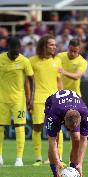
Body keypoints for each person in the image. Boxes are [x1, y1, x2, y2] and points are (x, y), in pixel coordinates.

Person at [29, 34, 63, 166]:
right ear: (44, 46)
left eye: (55, 44)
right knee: (37, 127)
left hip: (54, 101)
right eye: (51, 44)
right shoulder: (32, 61)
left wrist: (63, 97)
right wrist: (29, 99)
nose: (54, 47)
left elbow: (59, 81)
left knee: (57, 129)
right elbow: (29, 82)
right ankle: (38, 158)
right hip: (38, 99)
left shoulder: (57, 61)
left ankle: (57, 158)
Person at [45, 90, 88, 177]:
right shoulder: (54, 115)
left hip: (72, 106)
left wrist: (80, 163)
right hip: (52, 104)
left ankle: (74, 172)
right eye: (68, 128)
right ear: (64, 120)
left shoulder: (85, 113)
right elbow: (51, 141)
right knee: (55, 139)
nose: (69, 130)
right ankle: (56, 176)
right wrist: (58, 162)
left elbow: (84, 139)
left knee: (76, 138)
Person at [0, 37, 34, 166]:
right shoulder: (1, 58)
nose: (15, 55)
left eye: (17, 52)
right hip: (2, 99)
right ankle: (0, 157)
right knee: (0, 127)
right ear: (7, 48)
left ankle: (19, 158)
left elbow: (31, 79)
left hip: (19, 100)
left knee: (19, 127)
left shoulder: (24, 60)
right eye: (13, 52)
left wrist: (30, 98)